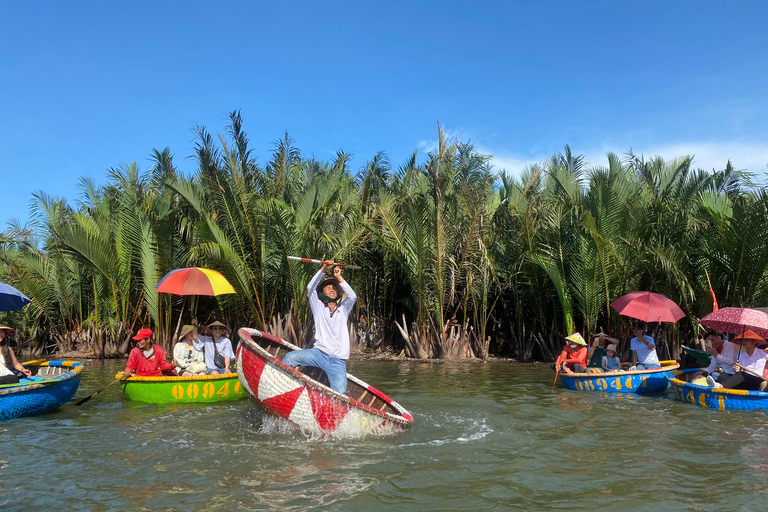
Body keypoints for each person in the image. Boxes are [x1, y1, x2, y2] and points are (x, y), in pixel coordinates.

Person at [281, 262, 357, 394]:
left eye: (334, 288)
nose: (332, 289)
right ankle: (284, 388)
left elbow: (353, 296)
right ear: (322, 292)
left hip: (337, 360)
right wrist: (324, 269)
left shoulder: (344, 308)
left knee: (340, 393)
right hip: (318, 353)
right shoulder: (319, 307)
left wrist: (339, 277)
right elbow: (310, 287)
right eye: (328, 288)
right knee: (289, 358)